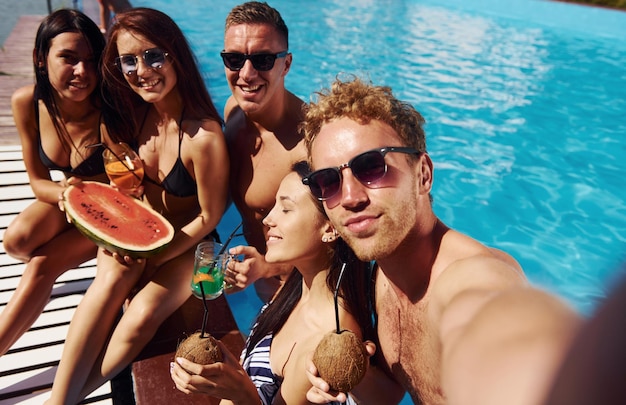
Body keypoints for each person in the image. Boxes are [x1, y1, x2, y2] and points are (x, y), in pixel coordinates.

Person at [301, 76, 583, 405]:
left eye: (371, 167)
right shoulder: (384, 278)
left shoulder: (471, 278)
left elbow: (493, 320)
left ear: (423, 174)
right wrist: (355, 377)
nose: (349, 197)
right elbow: (398, 388)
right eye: (328, 180)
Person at [45, 8, 229, 404]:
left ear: (176, 55)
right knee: (107, 284)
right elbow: (125, 190)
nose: (141, 70)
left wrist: (159, 254)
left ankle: (68, 397)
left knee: (142, 314)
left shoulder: (203, 136)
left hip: (191, 244)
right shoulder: (134, 116)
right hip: (139, 232)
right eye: (128, 60)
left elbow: (209, 216)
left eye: (153, 56)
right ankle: (60, 398)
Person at [170, 161, 402, 404]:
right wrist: (262, 268)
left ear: (330, 228)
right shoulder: (298, 286)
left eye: (286, 209)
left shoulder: (322, 341)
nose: (268, 219)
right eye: (274, 206)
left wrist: (239, 390)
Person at [0, 9, 107, 356]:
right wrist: (67, 194)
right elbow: (37, 180)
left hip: (115, 211)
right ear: (40, 58)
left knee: (42, 265)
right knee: (16, 241)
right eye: (69, 58)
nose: (82, 72)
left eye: (92, 60)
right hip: (72, 200)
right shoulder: (27, 103)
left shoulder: (112, 106)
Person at [221, 1, 307, 302]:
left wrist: (268, 266)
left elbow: (339, 242)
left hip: (307, 294)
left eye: (263, 60)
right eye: (234, 59)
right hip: (262, 283)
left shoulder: (310, 141)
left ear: (286, 64)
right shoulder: (232, 113)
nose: (246, 74)